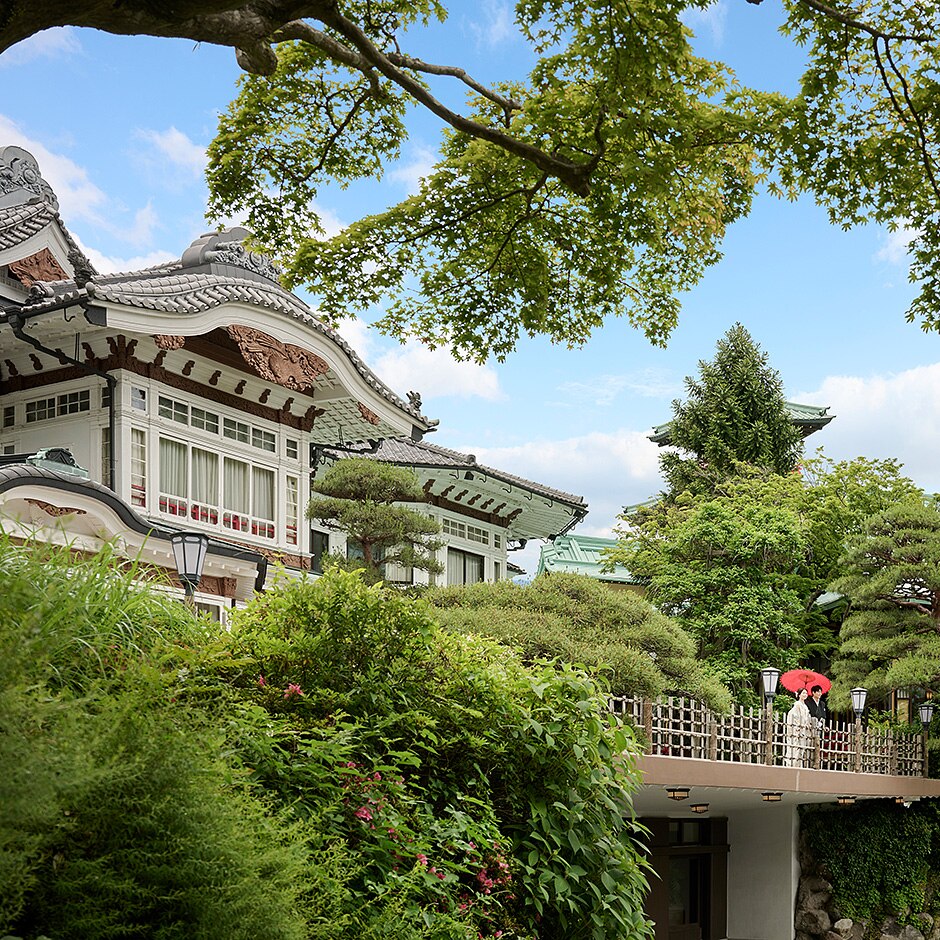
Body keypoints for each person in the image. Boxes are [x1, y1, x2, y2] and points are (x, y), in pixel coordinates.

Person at [784, 689, 814, 767]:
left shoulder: (805, 706)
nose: (805, 694)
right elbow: (795, 716)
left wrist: (808, 723)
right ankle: (793, 764)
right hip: (798, 729)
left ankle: (799, 765)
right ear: (799, 694)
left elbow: (807, 717)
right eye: (803, 693)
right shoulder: (797, 704)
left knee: (802, 749)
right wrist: (800, 724)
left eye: (806, 693)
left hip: (804, 730)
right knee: (795, 748)